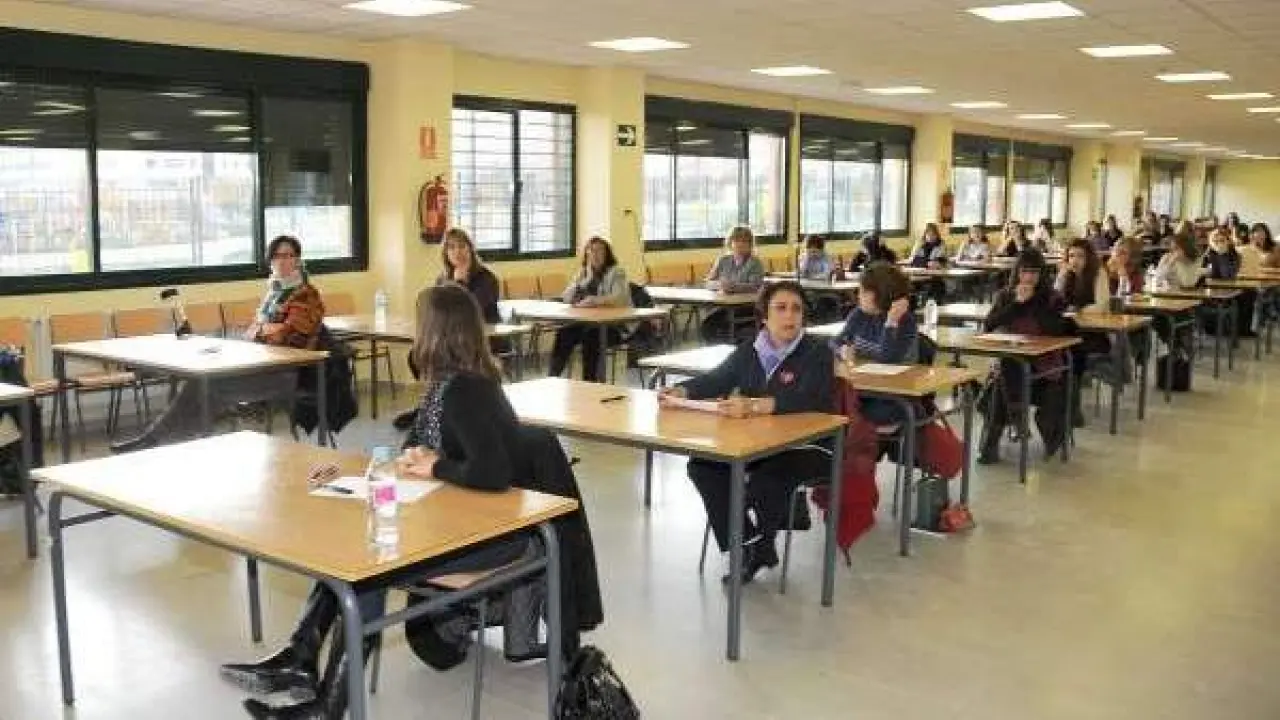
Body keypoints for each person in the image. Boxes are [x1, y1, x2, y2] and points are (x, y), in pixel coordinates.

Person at [220, 283, 535, 720]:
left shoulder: (467, 390)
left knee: (368, 566)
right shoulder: (447, 385)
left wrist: (436, 467)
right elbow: (414, 448)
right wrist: (379, 467)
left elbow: (492, 471)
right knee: (350, 549)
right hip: (463, 519)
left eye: (421, 323)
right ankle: (301, 657)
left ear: (437, 331)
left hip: (495, 537)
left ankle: (328, 705)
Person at [660, 281, 834, 584]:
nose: (789, 315)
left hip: (810, 446)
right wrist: (682, 390)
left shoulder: (817, 352)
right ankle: (748, 543)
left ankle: (760, 547)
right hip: (760, 442)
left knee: (769, 475)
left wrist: (754, 406)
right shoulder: (751, 350)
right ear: (764, 316)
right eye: (780, 308)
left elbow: (810, 398)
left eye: (796, 309)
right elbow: (718, 378)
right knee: (703, 466)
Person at [111, 235, 326, 452]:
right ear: (271, 261)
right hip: (260, 365)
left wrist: (263, 329)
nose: (283, 261)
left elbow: (289, 336)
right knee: (200, 381)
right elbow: (254, 332)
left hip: (286, 373)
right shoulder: (274, 293)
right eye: (277, 256)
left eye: (289, 256)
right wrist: (266, 329)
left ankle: (161, 441)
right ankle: (160, 440)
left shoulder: (307, 294)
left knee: (211, 386)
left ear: (298, 260)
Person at [978, 250, 1073, 464]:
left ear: (1041, 275)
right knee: (1005, 372)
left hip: (1044, 364)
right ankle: (1010, 421)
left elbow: (1056, 329)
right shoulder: (1006, 295)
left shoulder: (1052, 298)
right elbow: (989, 325)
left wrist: (1033, 303)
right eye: (1024, 272)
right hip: (1013, 361)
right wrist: (1017, 305)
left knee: (1002, 380)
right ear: (1017, 272)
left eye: (1034, 272)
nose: (1029, 277)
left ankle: (1004, 429)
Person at [832, 262, 917, 425]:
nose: (858, 295)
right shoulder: (858, 315)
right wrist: (842, 350)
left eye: (863, 292)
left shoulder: (905, 322)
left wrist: (891, 322)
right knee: (832, 405)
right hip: (862, 389)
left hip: (892, 396)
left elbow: (888, 359)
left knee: (854, 414)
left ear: (880, 294)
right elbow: (835, 342)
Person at [548, 236, 630, 382]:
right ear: (586, 254)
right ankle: (552, 377)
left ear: (606, 254)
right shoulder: (583, 273)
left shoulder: (617, 272)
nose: (595, 254)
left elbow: (620, 298)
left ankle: (589, 382)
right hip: (587, 323)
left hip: (613, 326)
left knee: (592, 337)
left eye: (599, 251)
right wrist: (584, 281)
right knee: (564, 332)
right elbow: (566, 298)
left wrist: (596, 300)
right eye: (591, 251)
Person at [1054, 239, 1110, 426]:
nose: (1075, 260)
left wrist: (1078, 310)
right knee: (1059, 351)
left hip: (1093, 333)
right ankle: (1061, 407)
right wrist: (1061, 276)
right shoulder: (1067, 276)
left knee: (1073, 354)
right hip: (1070, 331)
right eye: (1071, 256)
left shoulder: (1098, 274)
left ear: (1088, 258)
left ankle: (1073, 409)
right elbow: (1054, 301)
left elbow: (1101, 306)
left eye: (1080, 256)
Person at [701, 226, 765, 342]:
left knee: (715, 322)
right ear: (730, 242)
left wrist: (734, 287)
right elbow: (708, 282)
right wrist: (720, 285)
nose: (740, 244)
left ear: (750, 244)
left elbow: (755, 286)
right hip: (723, 304)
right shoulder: (723, 260)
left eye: (744, 241)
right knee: (708, 324)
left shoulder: (755, 263)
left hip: (745, 306)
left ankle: (730, 342)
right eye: (736, 240)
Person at [436, 227, 500, 323]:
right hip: (454, 330)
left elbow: (468, 310)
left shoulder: (487, 278)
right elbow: (439, 310)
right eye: (451, 247)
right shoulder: (442, 279)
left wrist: (459, 283)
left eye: (462, 246)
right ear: (446, 253)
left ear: (470, 249)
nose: (457, 251)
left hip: (483, 329)